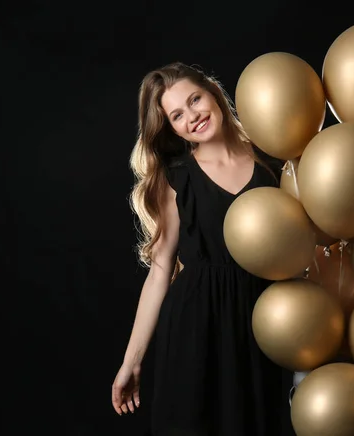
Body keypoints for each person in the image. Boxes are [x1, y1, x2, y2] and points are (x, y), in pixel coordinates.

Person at [111, 62, 287, 436]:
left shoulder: (273, 162)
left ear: (214, 93)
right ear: (171, 127)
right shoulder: (175, 179)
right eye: (177, 114)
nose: (192, 116)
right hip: (196, 328)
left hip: (266, 322)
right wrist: (132, 361)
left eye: (195, 100)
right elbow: (160, 273)